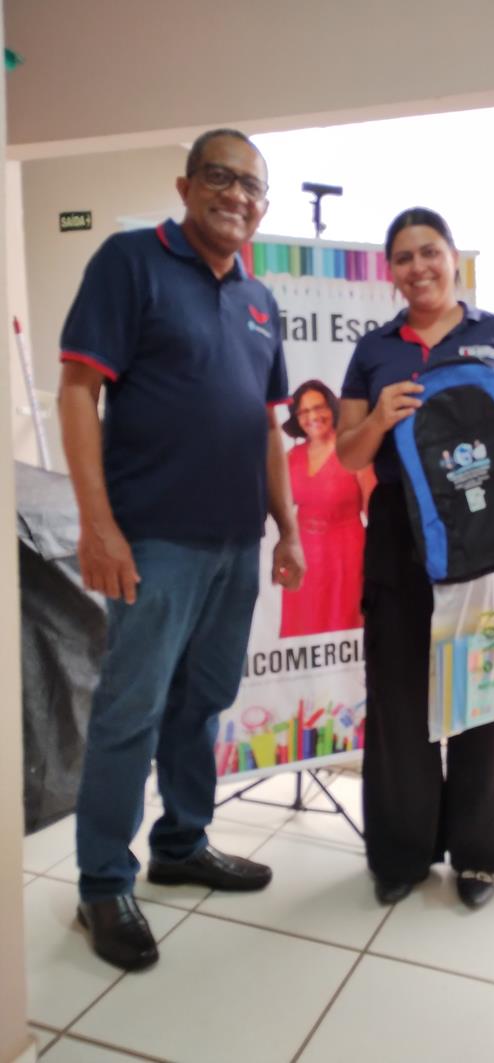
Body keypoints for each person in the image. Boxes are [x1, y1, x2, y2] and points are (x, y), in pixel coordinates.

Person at [58, 128, 305, 971]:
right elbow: (79, 391)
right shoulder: (130, 263)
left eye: (251, 186)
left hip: (236, 541)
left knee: (202, 701)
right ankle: (102, 883)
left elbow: (266, 427)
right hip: (153, 540)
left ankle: (182, 842)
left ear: (262, 207)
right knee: (131, 708)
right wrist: (97, 524)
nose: (236, 195)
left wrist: (288, 527)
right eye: (219, 177)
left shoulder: (261, 299)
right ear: (186, 184)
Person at [336, 207, 494, 909]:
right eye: (404, 257)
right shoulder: (374, 351)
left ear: (453, 258)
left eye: (429, 252)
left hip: (487, 538)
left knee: (487, 692)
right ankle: (402, 854)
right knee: (399, 696)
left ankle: (482, 854)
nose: (418, 267)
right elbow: (348, 454)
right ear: (390, 272)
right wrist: (380, 417)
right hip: (398, 541)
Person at [279, 379, 374, 638]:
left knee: (347, 632)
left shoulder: (353, 451)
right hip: (302, 559)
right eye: (304, 411)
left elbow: (375, 512)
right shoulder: (291, 458)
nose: (313, 417)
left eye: (319, 407)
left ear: (332, 407)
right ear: (296, 418)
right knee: (303, 633)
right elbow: (276, 508)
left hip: (347, 558)